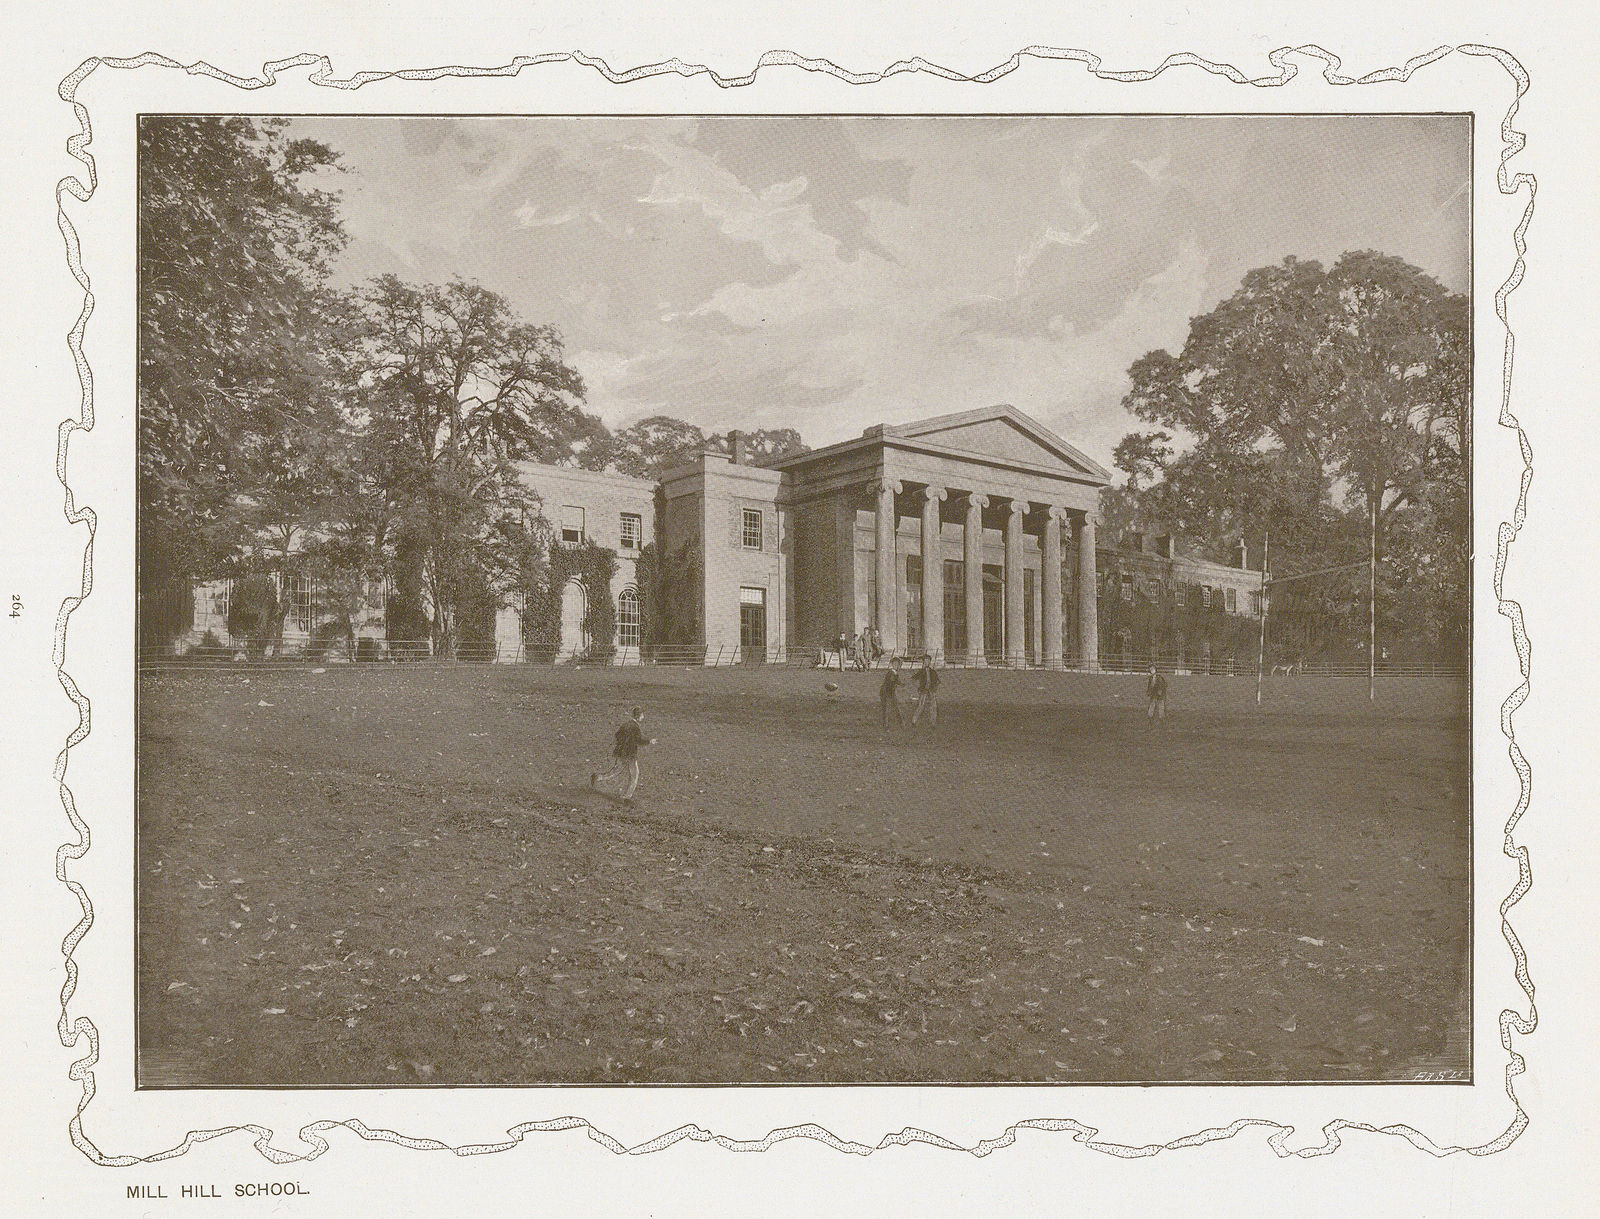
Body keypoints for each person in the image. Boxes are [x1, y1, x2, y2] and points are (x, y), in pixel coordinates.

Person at [591, 706, 655, 803]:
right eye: (642, 715)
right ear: (638, 716)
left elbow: (617, 735)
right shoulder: (636, 727)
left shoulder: (626, 724)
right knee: (634, 774)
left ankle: (598, 777)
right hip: (630, 754)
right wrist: (650, 741)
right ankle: (627, 797)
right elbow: (639, 741)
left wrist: (622, 744)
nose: (643, 717)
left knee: (616, 771)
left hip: (621, 753)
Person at [911, 654, 940, 726]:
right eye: (925, 661)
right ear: (923, 662)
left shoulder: (933, 672)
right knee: (921, 705)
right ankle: (914, 721)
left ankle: (933, 722)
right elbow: (913, 678)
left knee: (933, 706)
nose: (927, 662)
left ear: (930, 662)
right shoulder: (921, 671)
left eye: (928, 661)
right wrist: (918, 687)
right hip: (923, 690)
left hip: (931, 690)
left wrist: (934, 688)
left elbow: (938, 681)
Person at [879, 657, 907, 729]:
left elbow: (896, 681)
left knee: (895, 708)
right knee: (887, 709)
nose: (896, 666)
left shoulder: (894, 673)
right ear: (892, 664)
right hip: (886, 692)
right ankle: (886, 725)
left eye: (897, 664)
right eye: (894, 664)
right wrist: (900, 684)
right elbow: (892, 681)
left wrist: (901, 684)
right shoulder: (891, 673)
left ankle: (901, 724)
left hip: (890, 692)